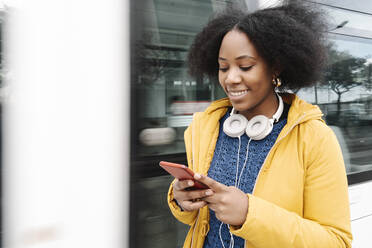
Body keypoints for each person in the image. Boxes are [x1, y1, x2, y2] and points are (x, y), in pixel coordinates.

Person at [167, 1, 352, 247]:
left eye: (245, 66)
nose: (231, 78)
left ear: (275, 67)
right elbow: (199, 220)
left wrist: (249, 215)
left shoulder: (315, 138)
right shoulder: (205, 127)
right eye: (223, 67)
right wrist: (182, 199)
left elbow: (336, 241)